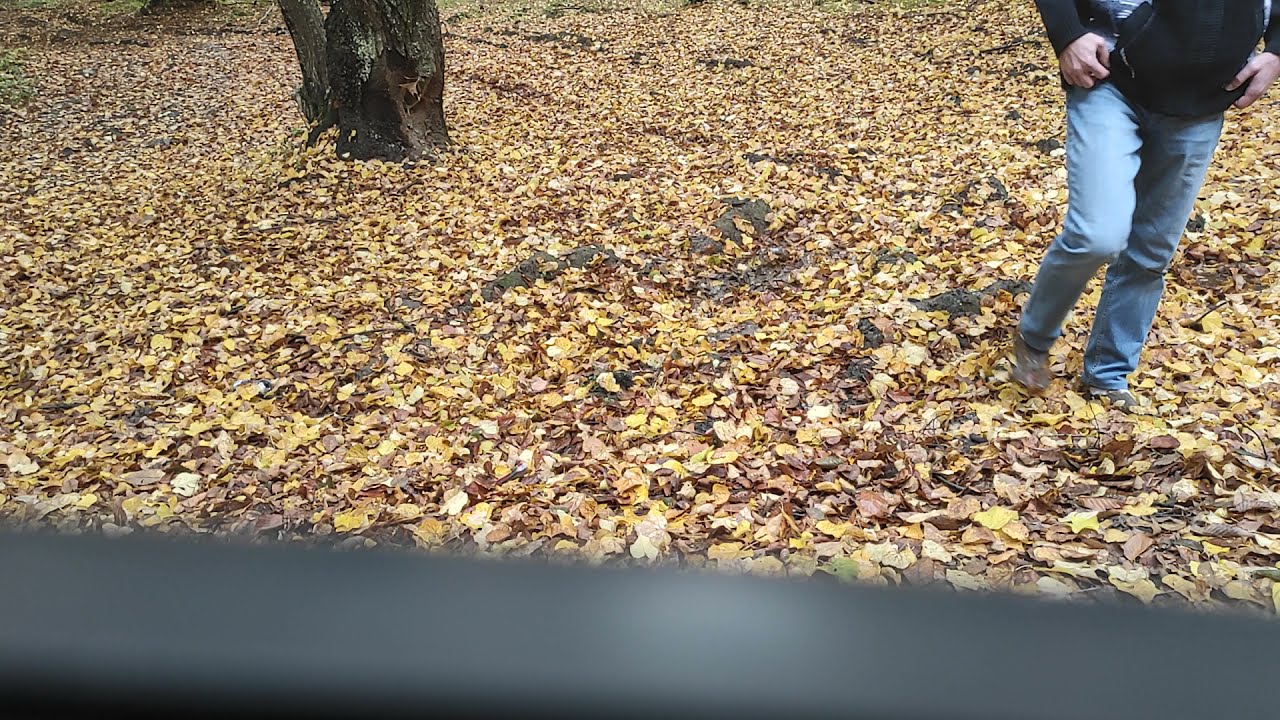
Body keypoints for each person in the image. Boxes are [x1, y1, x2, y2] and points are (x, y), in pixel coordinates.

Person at [1013, 0, 1280, 408]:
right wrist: (1067, 33)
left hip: (1204, 100)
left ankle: (1108, 373)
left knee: (1151, 249)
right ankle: (1034, 336)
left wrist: (1277, 50)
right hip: (1108, 77)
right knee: (1096, 234)